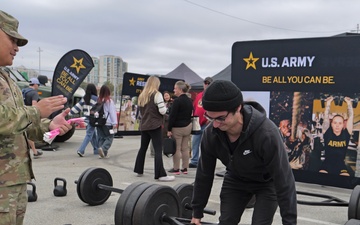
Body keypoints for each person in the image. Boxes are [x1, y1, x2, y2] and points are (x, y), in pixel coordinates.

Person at [0, 10, 75, 225]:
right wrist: (35, 111)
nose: (16, 48)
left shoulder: (7, 78)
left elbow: (18, 125)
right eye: (12, 39)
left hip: (13, 182)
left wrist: (48, 125)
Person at [190, 80, 297, 225]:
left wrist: (289, 222)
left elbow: (284, 180)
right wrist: (197, 211)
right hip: (236, 180)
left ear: (238, 108)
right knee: (226, 221)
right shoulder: (211, 134)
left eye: (221, 118)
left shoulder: (266, 134)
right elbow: (204, 173)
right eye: (210, 117)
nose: (215, 124)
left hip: (266, 183)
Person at [133, 76, 175, 182]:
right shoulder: (157, 94)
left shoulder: (142, 95)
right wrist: (165, 108)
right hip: (155, 125)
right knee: (157, 150)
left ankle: (139, 170)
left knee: (143, 148)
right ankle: (160, 174)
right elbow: (162, 111)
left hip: (144, 125)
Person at [319, 96, 353, 176]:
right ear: (331, 124)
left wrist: (349, 103)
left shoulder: (346, 133)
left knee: (345, 179)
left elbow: (351, 117)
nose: (337, 125)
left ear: (343, 125)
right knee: (321, 178)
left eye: (340, 123)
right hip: (327, 164)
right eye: (335, 123)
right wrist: (328, 103)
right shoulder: (327, 132)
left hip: (341, 165)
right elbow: (326, 117)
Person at [167, 81, 193, 175]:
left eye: (175, 88)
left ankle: (176, 168)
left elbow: (172, 117)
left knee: (177, 148)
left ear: (180, 90)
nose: (174, 90)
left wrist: (169, 129)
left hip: (177, 127)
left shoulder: (177, 101)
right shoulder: (189, 100)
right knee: (185, 148)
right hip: (187, 126)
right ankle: (185, 168)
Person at [68, 83, 98, 157]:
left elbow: (77, 107)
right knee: (89, 135)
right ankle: (81, 150)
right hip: (93, 119)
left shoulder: (85, 98)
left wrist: (69, 112)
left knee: (92, 135)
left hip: (86, 118)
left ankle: (96, 149)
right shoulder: (96, 98)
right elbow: (100, 108)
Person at [189, 77, 212, 168]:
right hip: (197, 123)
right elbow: (195, 107)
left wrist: (210, 119)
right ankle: (194, 161)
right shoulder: (199, 95)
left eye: (208, 83)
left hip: (207, 123)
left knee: (206, 144)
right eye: (205, 83)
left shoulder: (213, 95)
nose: (206, 85)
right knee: (195, 142)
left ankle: (205, 161)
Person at [22, 77, 43, 158]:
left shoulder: (24, 91)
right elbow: (34, 105)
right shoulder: (34, 93)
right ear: (35, 84)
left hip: (23, 113)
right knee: (30, 133)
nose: (38, 86)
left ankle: (34, 151)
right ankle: (34, 152)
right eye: (38, 85)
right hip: (30, 114)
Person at [97, 85, 118, 159]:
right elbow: (112, 112)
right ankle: (103, 149)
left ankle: (102, 154)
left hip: (99, 122)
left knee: (101, 137)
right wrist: (114, 123)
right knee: (110, 137)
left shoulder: (98, 100)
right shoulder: (109, 101)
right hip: (108, 123)